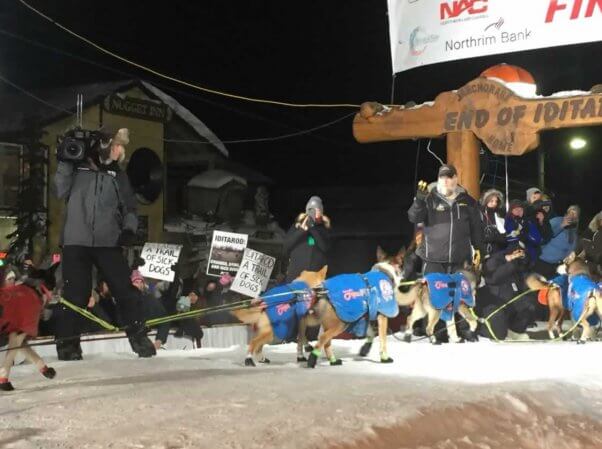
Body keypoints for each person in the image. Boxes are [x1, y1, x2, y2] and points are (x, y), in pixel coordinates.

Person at [53, 127, 155, 360]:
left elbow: (130, 208)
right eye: (118, 145)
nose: (122, 150)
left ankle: (139, 338)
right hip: (75, 242)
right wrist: (65, 162)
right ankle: (68, 346)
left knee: (125, 290)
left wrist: (129, 230)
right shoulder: (77, 168)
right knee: (75, 294)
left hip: (108, 242)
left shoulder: (118, 175)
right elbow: (59, 190)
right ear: (106, 145)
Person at [408, 164, 483, 274]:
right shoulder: (429, 198)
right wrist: (419, 201)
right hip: (433, 260)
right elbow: (414, 217)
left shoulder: (468, 201)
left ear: (456, 179)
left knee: (460, 291)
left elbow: (476, 227)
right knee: (433, 291)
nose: (445, 181)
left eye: (449, 177)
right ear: (438, 180)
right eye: (442, 178)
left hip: (461, 261)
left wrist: (479, 249)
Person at [476, 245, 535, 341]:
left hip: (512, 297)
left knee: (529, 305)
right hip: (496, 300)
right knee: (499, 327)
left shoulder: (516, 262)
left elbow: (527, 265)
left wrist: (522, 257)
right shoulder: (494, 260)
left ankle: (515, 331)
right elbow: (493, 279)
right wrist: (510, 262)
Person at [283, 195, 331, 282]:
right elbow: (286, 247)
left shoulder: (323, 229)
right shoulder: (296, 227)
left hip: (314, 276)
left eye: (317, 210)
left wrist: (312, 229)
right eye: (311, 210)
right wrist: (302, 231)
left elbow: (325, 248)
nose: (314, 213)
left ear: (321, 212)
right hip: (295, 276)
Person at [535, 205, 581, 278]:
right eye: (571, 212)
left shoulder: (574, 234)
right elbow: (544, 235)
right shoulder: (557, 220)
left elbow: (570, 250)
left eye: (575, 214)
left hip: (554, 266)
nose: (572, 216)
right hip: (540, 259)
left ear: (577, 219)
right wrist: (562, 225)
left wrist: (563, 262)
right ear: (566, 213)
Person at [130, 270, 170, 350]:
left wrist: (159, 340)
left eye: (140, 282)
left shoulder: (150, 299)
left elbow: (164, 320)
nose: (138, 285)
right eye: (135, 282)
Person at [504, 200, 542, 265]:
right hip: (512, 255)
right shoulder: (507, 222)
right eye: (516, 209)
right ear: (511, 210)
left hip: (529, 255)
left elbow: (537, 239)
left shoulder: (528, 222)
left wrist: (526, 236)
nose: (519, 211)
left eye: (521, 209)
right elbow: (507, 237)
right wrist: (519, 235)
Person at [479, 189, 506, 257]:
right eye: (491, 201)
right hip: (483, 251)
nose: (494, 203)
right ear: (486, 201)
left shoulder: (498, 215)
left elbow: (503, 236)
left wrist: (495, 236)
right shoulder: (479, 214)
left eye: (496, 201)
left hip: (496, 250)